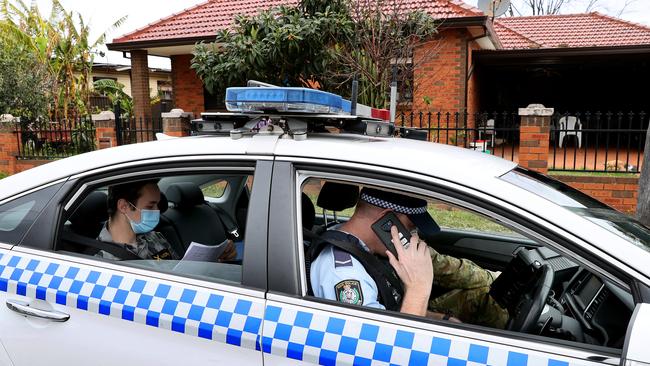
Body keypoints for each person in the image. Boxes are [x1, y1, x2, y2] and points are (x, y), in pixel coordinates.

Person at [310, 187, 509, 328]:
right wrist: (418, 288)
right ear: (387, 222)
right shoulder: (344, 273)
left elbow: (390, 311)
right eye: (411, 230)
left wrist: (441, 319)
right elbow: (383, 351)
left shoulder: (364, 248)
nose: (415, 238)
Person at [97, 180, 237, 261]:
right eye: (150, 205)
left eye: (157, 204)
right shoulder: (100, 260)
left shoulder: (154, 237)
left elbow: (176, 272)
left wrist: (217, 260)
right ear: (124, 206)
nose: (157, 211)